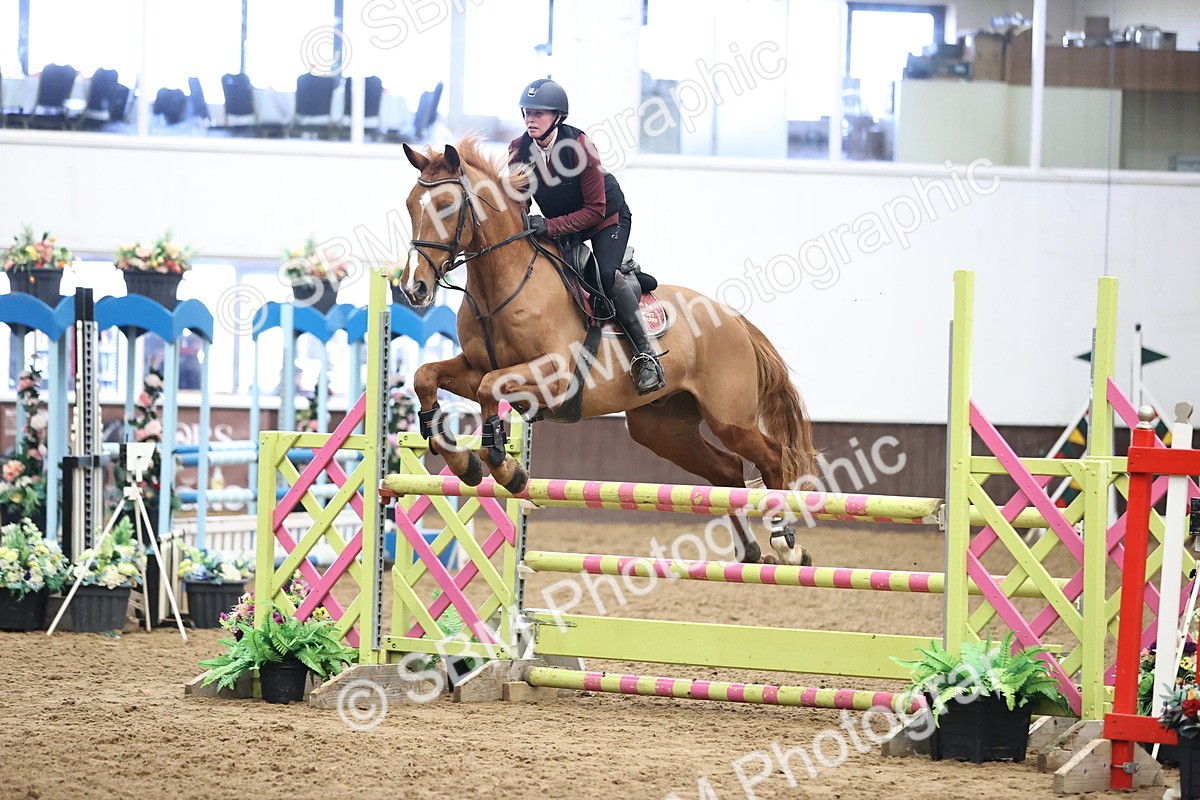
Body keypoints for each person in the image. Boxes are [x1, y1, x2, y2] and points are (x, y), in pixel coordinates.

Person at [508, 78, 665, 395]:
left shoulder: (579, 146)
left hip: (607, 218)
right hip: (563, 222)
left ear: (557, 117)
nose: (530, 119)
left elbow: (595, 210)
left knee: (605, 276)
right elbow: (519, 199)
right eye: (527, 112)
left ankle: (646, 355)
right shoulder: (518, 149)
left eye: (539, 113)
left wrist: (550, 227)